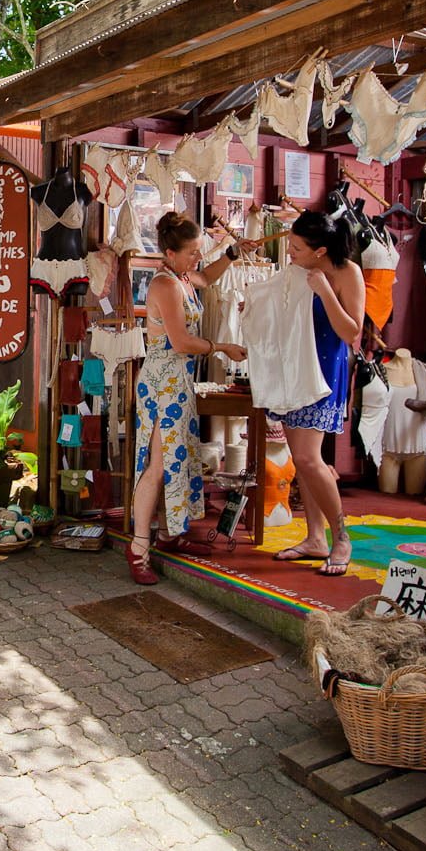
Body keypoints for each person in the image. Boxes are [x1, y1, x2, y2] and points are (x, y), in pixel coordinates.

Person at [129, 213, 249, 584]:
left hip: (177, 380)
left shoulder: (182, 277)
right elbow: (180, 342)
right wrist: (222, 347)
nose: (198, 257)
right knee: (159, 465)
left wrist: (230, 253)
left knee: (177, 458)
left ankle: (168, 533)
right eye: (193, 252)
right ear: (170, 253)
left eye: (200, 251)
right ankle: (138, 549)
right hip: (163, 380)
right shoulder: (164, 284)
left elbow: (208, 277)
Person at [273, 210, 368, 576]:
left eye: (297, 247)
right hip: (295, 370)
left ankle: (341, 537)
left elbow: (350, 331)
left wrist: (325, 290)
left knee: (311, 459)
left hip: (326, 372)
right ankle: (315, 537)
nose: (291, 252)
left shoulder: (348, 273)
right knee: (301, 460)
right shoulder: (296, 271)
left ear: (320, 250)